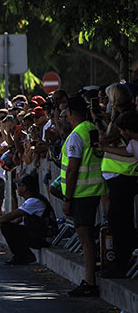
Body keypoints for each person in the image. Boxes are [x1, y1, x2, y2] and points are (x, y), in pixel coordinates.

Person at [60, 95, 108, 296]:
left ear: (70, 112)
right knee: (88, 235)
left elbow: (72, 169)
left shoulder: (76, 135)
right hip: (96, 190)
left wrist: (67, 198)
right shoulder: (91, 128)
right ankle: (91, 277)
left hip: (81, 193)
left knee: (84, 236)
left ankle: (90, 281)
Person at [98, 108, 138, 278]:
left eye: (122, 130)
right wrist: (105, 147)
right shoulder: (133, 143)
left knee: (120, 222)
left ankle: (121, 262)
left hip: (125, 182)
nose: (120, 133)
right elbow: (127, 152)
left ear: (128, 130)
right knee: (117, 220)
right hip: (119, 184)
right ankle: (124, 258)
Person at [0, 173, 53, 265]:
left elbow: (12, 215)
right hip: (39, 234)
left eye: (19, 185)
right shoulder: (32, 200)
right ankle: (22, 256)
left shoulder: (34, 201)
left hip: (43, 238)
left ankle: (24, 256)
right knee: (7, 226)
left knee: (7, 228)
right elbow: (17, 220)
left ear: (25, 188)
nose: (16, 189)